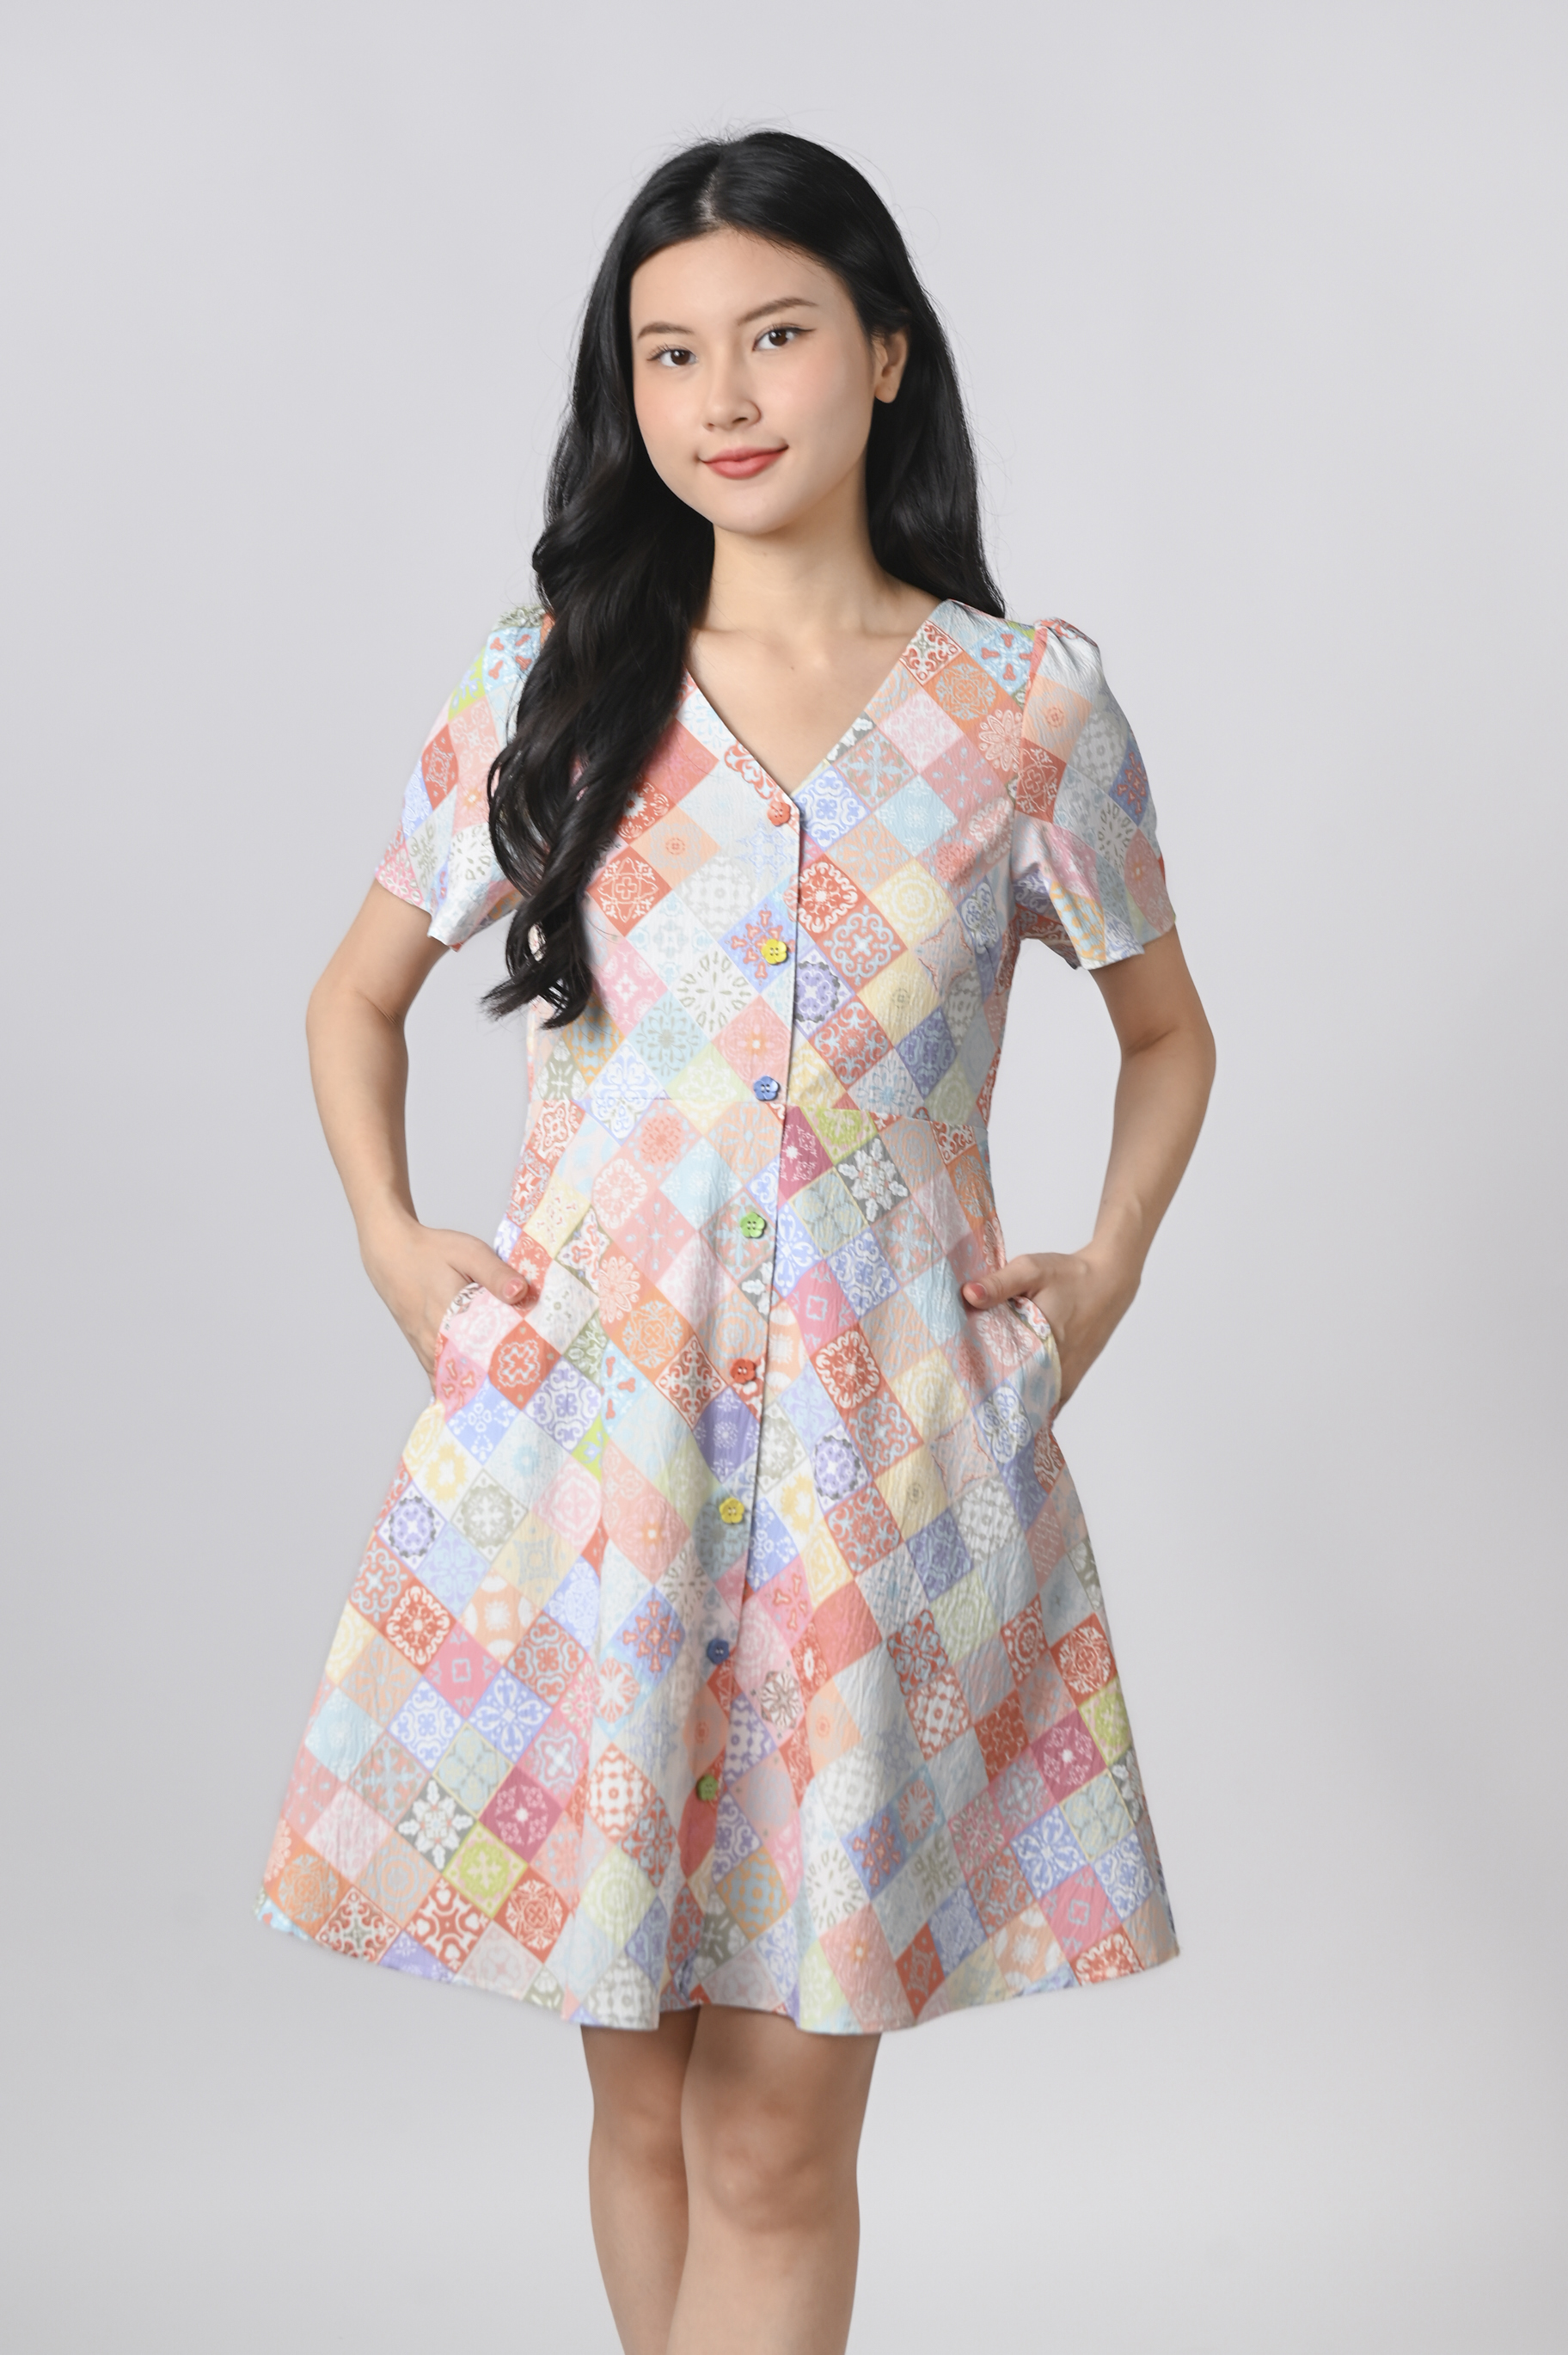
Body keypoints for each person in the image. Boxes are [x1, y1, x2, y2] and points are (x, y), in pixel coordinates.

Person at [258, 130, 1216, 2355]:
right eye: (669, 353)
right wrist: (399, 1244)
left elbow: (1168, 1034)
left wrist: (1103, 1269)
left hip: (879, 1497)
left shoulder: (1025, 710)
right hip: (596, 1484)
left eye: (774, 334)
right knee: (649, 2102)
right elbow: (351, 999)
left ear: (882, 353)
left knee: (778, 2134)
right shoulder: (552, 679)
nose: (723, 395)